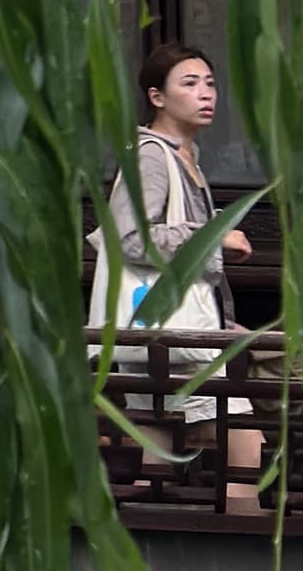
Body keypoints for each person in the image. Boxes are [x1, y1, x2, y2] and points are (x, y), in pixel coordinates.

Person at [98, 30, 260, 495]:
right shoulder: (151, 156)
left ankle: (153, 545)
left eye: (209, 83)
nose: (205, 93)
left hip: (173, 333)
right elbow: (131, 236)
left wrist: (224, 322)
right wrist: (214, 237)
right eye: (188, 83)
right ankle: (245, 555)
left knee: (161, 441)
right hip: (168, 334)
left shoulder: (186, 157)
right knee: (243, 445)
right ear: (157, 96)